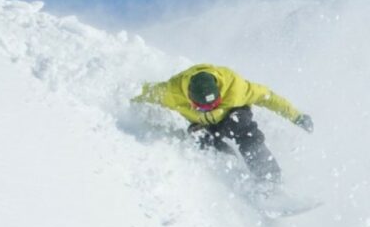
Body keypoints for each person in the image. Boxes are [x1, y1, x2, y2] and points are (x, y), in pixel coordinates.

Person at [132, 64, 313, 186]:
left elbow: (268, 97)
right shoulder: (171, 93)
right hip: (205, 126)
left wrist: (297, 116)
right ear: (189, 98)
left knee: (241, 127)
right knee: (200, 139)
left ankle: (269, 180)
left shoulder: (235, 87)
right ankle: (234, 174)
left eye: (214, 103)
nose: (209, 109)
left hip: (234, 116)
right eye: (202, 106)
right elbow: (138, 92)